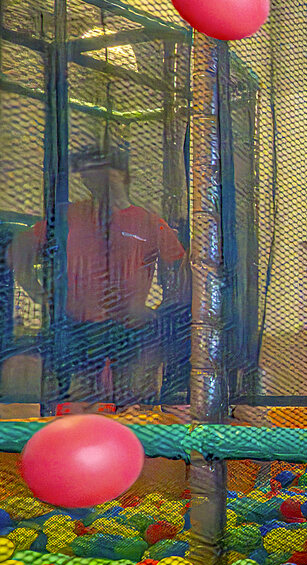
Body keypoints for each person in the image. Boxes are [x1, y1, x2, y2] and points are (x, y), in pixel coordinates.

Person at [7, 142, 187, 406]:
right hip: (75, 329)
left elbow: (182, 269)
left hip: (129, 330)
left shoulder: (149, 222)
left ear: (121, 175)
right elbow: (18, 251)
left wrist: (161, 310)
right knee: (78, 403)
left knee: (131, 402)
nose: (93, 177)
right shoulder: (68, 216)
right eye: (87, 172)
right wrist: (40, 295)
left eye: (101, 169)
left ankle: (131, 440)